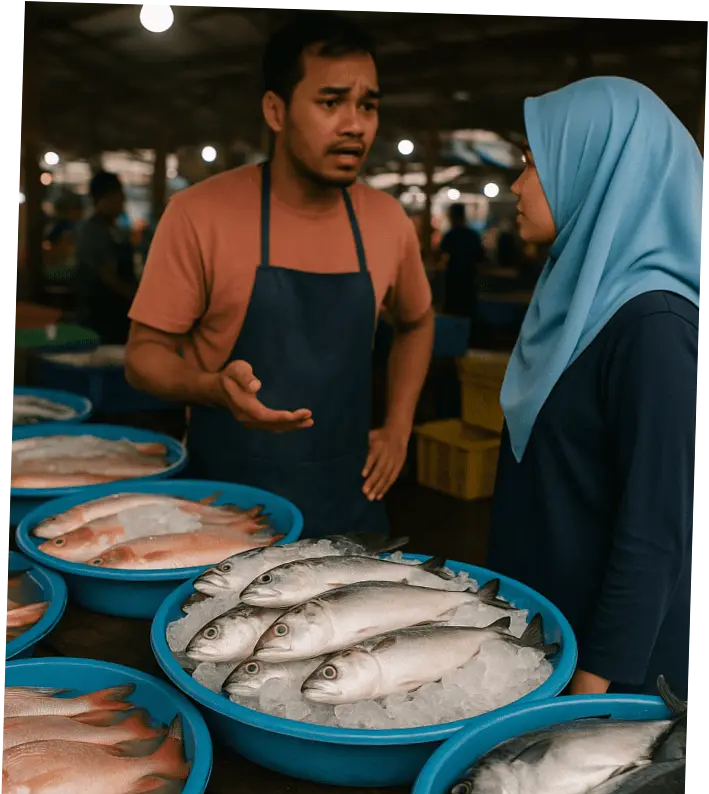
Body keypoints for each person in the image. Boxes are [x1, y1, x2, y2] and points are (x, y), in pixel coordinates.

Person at [124, 12, 434, 539]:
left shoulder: (387, 221)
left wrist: (399, 427)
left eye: (368, 105)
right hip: (225, 510)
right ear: (276, 110)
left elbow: (418, 323)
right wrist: (211, 387)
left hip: (348, 505)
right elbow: (142, 358)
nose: (355, 124)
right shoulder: (200, 213)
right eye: (331, 102)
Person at [486, 77, 701, 700]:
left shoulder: (654, 325)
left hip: (612, 679)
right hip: (552, 640)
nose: (518, 186)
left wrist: (587, 696)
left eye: (533, 164)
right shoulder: (577, 298)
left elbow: (655, 530)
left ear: (599, 169)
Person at [75, 171, 137, 344]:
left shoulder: (112, 228)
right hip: (101, 320)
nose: (123, 202)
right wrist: (136, 298)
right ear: (107, 197)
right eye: (120, 196)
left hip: (116, 319)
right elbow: (108, 277)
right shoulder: (93, 231)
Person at [439, 202, 485, 342]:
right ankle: (468, 341)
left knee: (453, 313)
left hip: (453, 281)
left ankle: (453, 344)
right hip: (469, 281)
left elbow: (442, 257)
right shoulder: (472, 236)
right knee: (467, 313)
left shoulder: (450, 235)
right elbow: (481, 257)